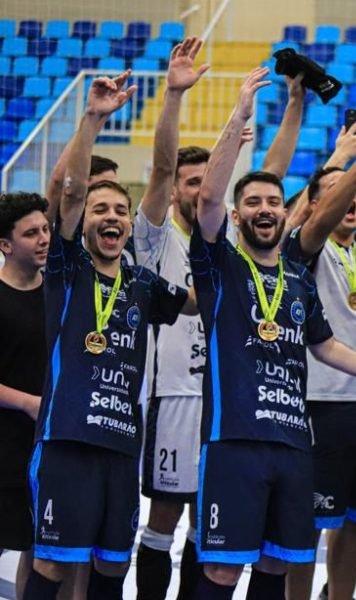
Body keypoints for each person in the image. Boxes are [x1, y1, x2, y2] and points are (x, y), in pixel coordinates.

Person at [188, 66, 356, 600]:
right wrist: (240, 115)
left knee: (277, 566)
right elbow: (206, 200)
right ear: (237, 214)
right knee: (223, 571)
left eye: (273, 202)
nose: (265, 210)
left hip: (295, 444)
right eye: (253, 202)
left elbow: (327, 347)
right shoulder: (220, 267)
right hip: (234, 443)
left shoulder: (297, 276)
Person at [23, 73, 196, 600]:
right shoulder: (66, 267)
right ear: (83, 222)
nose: (113, 217)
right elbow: (70, 190)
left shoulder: (143, 280)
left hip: (123, 446)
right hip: (66, 442)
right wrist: (94, 118)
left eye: (120, 209)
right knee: (51, 569)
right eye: (102, 210)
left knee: (111, 569)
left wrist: (174, 95)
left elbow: (199, 303)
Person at [282, 132, 356, 600]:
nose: (349, 198)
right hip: (318, 402)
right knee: (306, 523)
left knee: (354, 520)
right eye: (334, 191)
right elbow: (314, 220)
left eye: (353, 191)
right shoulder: (302, 249)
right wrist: (352, 166)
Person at [132, 37, 212, 600]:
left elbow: (274, 178)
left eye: (209, 182)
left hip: (224, 402)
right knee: (165, 520)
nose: (202, 190)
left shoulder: (221, 236)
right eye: (193, 182)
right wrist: (174, 96)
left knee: (210, 527)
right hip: (174, 398)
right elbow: (160, 169)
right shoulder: (155, 238)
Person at [0, 192, 50, 600]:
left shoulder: (59, 292)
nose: (44, 238)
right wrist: (29, 403)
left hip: (47, 443)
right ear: (5, 244)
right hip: (4, 444)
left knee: (38, 545)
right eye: (31, 233)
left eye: (46, 229)